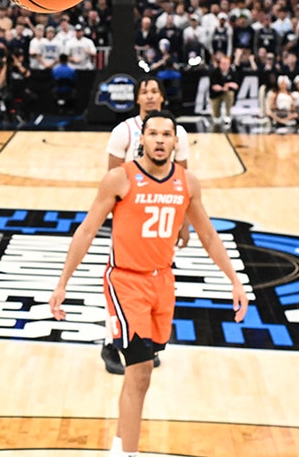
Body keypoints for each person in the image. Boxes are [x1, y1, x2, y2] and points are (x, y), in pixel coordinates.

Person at [49, 111, 248, 457]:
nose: (159, 140)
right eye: (152, 133)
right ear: (141, 139)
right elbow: (86, 230)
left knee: (143, 374)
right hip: (125, 281)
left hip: (163, 281)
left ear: (176, 141)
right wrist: (62, 283)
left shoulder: (187, 182)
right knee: (139, 370)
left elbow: (209, 235)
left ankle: (119, 444)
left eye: (166, 134)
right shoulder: (119, 178)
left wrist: (235, 280)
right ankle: (129, 452)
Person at [100, 77, 189, 374]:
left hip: (161, 213)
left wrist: (184, 222)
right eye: (144, 92)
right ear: (137, 98)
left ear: (162, 97)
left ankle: (143, 341)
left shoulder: (179, 133)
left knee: (153, 280)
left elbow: (183, 179)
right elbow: (111, 177)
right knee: (122, 280)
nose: (149, 96)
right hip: (129, 211)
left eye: (154, 92)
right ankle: (110, 343)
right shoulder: (123, 131)